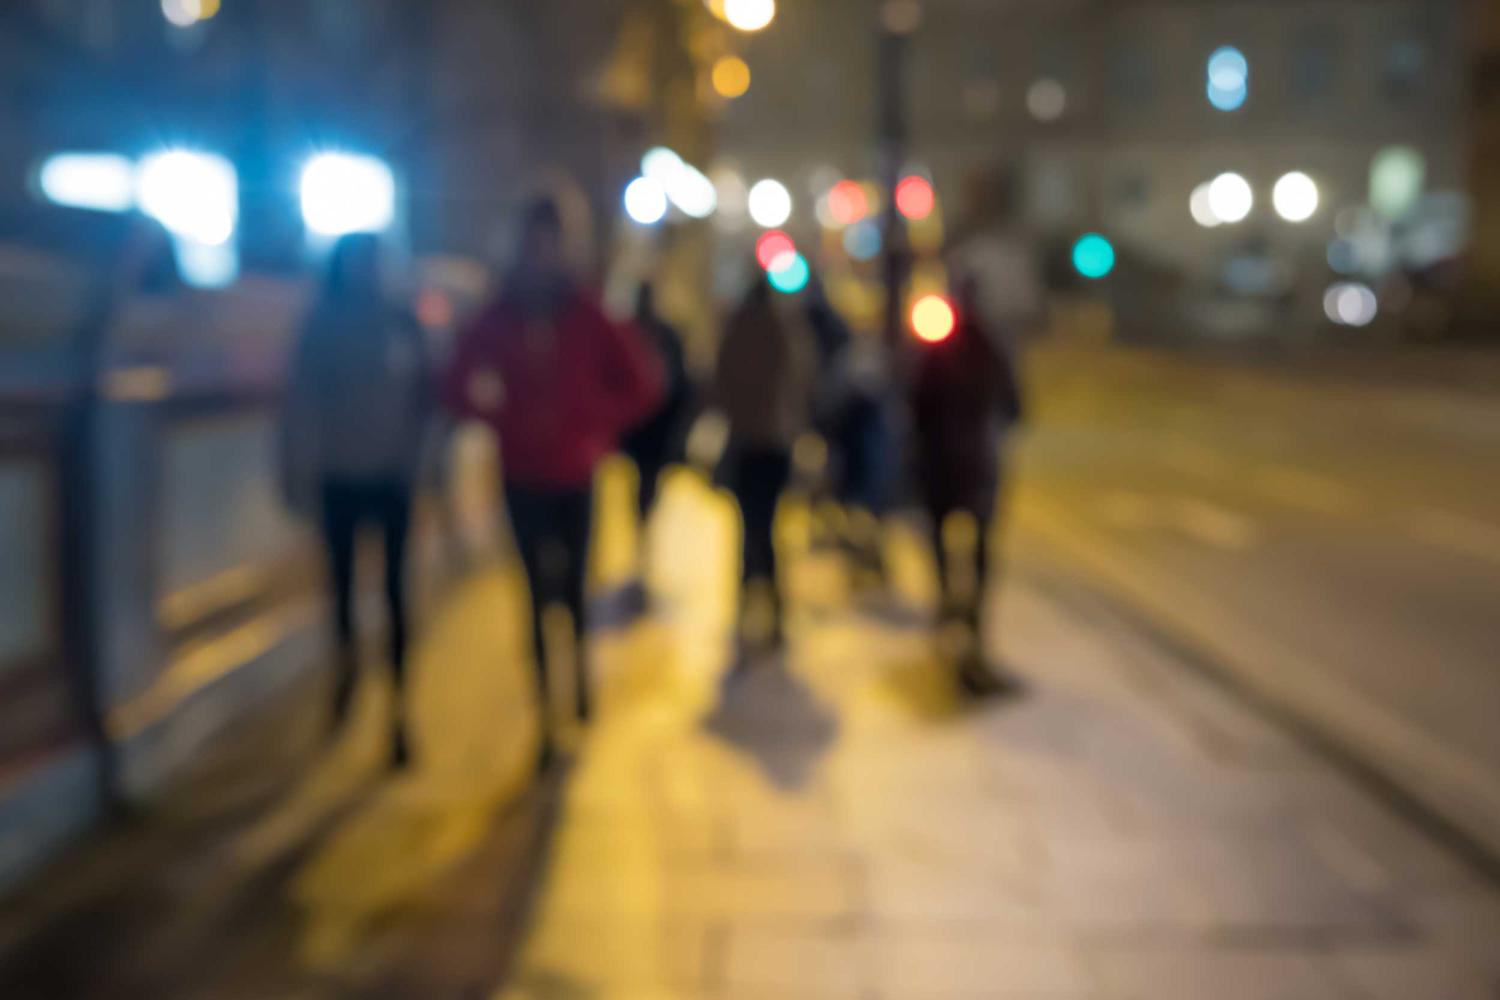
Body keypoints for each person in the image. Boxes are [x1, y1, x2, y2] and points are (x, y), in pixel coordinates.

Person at [443, 198, 662, 768]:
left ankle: (580, 678)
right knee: (536, 595)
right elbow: (456, 382)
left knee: (573, 590)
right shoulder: (502, 313)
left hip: (575, 472)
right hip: (520, 475)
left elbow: (642, 383)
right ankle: (547, 713)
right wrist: (500, 420)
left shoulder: (584, 311)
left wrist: (594, 421)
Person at [280, 232, 433, 768]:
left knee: (396, 593)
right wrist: (296, 472)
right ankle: (346, 677)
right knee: (341, 592)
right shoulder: (322, 324)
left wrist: (421, 466)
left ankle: (399, 706)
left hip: (391, 479)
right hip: (339, 478)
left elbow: (426, 400)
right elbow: (299, 402)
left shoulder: (402, 321)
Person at [911, 273, 1025, 696]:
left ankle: (946, 604)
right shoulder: (994, 348)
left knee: (941, 537)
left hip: (939, 463)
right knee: (980, 547)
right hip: (980, 467)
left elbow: (915, 404)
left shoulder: (936, 348)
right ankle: (973, 619)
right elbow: (1015, 407)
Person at [714, 271, 813, 652]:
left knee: (747, 527)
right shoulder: (784, 329)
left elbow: (719, 381)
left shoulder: (737, 330)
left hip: (744, 443)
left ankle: (746, 604)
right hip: (773, 443)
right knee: (768, 527)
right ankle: (774, 610)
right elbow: (803, 379)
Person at [620, 282, 692, 540]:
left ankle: (644, 513)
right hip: (647, 416)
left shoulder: (635, 332)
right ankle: (644, 513)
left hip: (655, 415)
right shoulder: (631, 332)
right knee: (647, 472)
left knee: (648, 472)